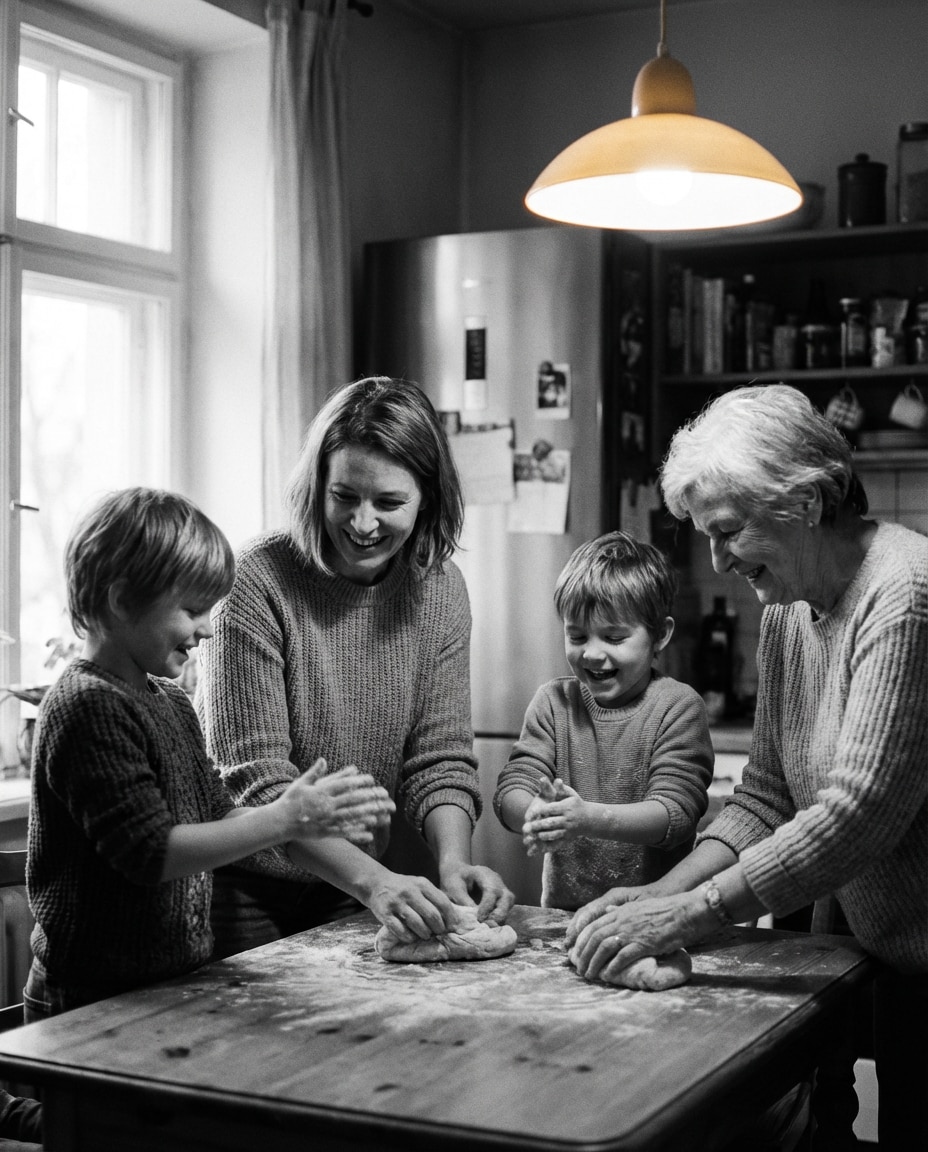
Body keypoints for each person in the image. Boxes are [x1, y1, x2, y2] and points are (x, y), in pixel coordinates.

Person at [567, 385, 927, 1152]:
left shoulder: (906, 596)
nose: (717, 560)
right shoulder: (788, 609)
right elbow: (764, 792)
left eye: (727, 531)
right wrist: (664, 888)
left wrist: (691, 915)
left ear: (807, 500)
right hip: (892, 957)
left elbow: (856, 811)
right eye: (705, 534)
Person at [24, 488, 392, 1021]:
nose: (208, 628)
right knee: (92, 1112)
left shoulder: (169, 698)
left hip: (162, 982)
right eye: (193, 609)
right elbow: (152, 855)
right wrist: (281, 818)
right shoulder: (89, 705)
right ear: (123, 599)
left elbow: (218, 815)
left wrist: (301, 817)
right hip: (88, 994)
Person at [197, 376, 514, 959]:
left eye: (389, 503)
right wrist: (373, 881)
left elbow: (439, 756)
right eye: (344, 496)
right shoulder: (256, 582)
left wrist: (453, 863)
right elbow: (256, 780)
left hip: (355, 882)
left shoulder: (438, 589)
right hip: (241, 887)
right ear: (317, 485)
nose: (363, 523)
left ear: (428, 501)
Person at [493, 530, 713, 911]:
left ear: (660, 635)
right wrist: (535, 814)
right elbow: (513, 786)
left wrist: (587, 818)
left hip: (657, 916)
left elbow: (675, 814)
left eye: (613, 638)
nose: (592, 654)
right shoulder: (553, 703)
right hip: (565, 920)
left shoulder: (678, 707)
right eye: (577, 636)